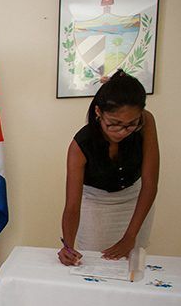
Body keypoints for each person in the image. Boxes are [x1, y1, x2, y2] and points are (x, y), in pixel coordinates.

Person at [59, 69, 159, 266]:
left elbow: (149, 183)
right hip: (98, 206)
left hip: (136, 202)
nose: (123, 131)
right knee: (95, 265)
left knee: (133, 266)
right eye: (115, 124)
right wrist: (68, 247)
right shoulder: (81, 145)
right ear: (99, 112)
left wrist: (130, 236)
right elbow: (72, 206)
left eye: (131, 124)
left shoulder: (146, 122)